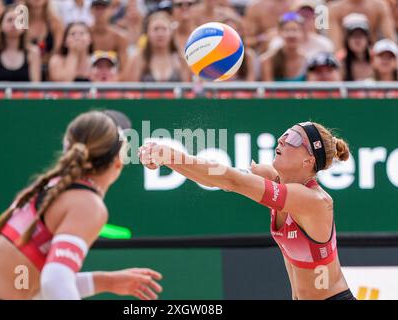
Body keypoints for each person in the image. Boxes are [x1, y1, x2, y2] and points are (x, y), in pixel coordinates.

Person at [0, 110, 163, 300]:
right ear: (118, 161)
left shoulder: (49, 188)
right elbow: (54, 284)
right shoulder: (88, 205)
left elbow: (29, 283)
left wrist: (105, 282)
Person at [139, 121, 355, 300]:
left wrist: (171, 155)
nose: (282, 139)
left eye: (293, 139)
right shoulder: (276, 180)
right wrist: (167, 160)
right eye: (286, 133)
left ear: (309, 160)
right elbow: (218, 179)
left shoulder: (314, 200)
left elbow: (233, 180)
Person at [0, 5, 41, 81]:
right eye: (9, 20)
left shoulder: (33, 52)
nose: (14, 24)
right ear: (0, 25)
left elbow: (36, 86)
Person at [122, 11, 190, 82]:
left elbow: (187, 88)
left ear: (171, 33)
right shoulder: (137, 60)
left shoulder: (180, 60)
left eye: (164, 29)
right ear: (147, 33)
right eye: (156, 29)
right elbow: (131, 90)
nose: (160, 33)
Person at [328, 0, 396, 54]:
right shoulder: (335, 9)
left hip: (372, 56)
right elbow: (336, 45)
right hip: (346, 59)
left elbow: (390, 40)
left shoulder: (379, 6)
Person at [261, 12, 307, 82]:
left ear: (302, 33)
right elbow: (268, 88)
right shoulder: (268, 61)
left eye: (295, 30)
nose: (291, 34)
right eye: (286, 30)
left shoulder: (307, 61)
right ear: (279, 32)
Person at [25, 0, 64, 80]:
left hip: (50, 69)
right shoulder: (21, 22)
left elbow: (58, 50)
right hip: (26, 68)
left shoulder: (56, 23)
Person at [90, 0, 128, 74]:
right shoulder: (86, 35)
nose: (100, 12)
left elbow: (124, 69)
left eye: (103, 8)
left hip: (113, 81)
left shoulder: (119, 38)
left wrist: (113, 82)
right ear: (91, 11)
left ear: (110, 11)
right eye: (97, 8)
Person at [339, 14, 373, 81]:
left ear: (368, 39)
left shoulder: (376, 58)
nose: (357, 40)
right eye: (353, 36)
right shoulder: (340, 61)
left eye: (361, 35)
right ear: (347, 40)